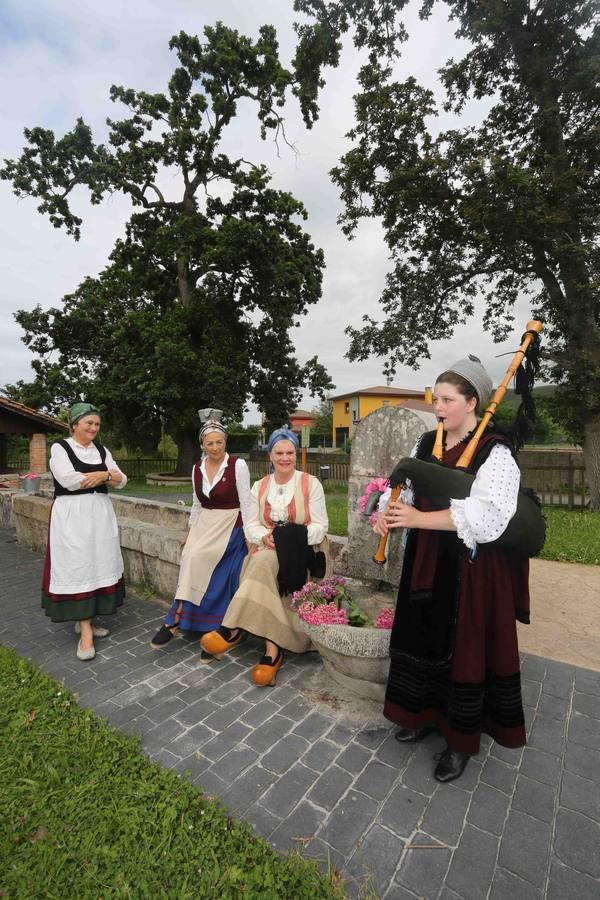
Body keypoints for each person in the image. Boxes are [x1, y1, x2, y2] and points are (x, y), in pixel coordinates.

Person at [375, 356, 528, 783]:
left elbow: (486, 516)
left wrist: (417, 519)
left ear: (472, 402)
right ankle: (420, 713)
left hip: (469, 568)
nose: (438, 405)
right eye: (435, 397)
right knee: (421, 635)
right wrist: (386, 513)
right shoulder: (426, 443)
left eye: (447, 399)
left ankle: (459, 743)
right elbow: (404, 489)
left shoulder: (494, 451)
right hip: (425, 559)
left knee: (463, 650)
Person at [200, 426, 330, 686]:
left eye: (290, 453)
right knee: (264, 560)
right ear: (270, 455)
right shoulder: (260, 486)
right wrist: (264, 537)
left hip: (306, 553)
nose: (285, 458)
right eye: (279, 452)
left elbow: (321, 526)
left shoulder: (310, 483)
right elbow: (251, 525)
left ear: (296, 453)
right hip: (268, 547)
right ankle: (273, 650)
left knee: (262, 562)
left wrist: (287, 539)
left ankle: (233, 629)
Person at [150, 411, 251, 658]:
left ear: (225, 442)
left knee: (200, 558)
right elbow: (197, 504)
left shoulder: (237, 465)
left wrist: (249, 536)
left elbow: (247, 503)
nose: (215, 447)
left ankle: (175, 620)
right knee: (190, 555)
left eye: (219, 442)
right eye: (210, 443)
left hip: (230, 524)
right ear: (202, 445)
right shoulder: (198, 468)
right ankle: (179, 618)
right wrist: (190, 532)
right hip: (205, 523)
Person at [42, 402, 127, 661]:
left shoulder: (101, 450)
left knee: (98, 564)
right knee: (77, 564)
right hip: (72, 514)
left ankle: (86, 620)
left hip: (99, 513)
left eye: (97, 424)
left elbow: (122, 479)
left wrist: (101, 475)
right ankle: (85, 631)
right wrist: (105, 475)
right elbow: (70, 479)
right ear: (75, 424)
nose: (93, 428)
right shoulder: (60, 447)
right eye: (88, 423)